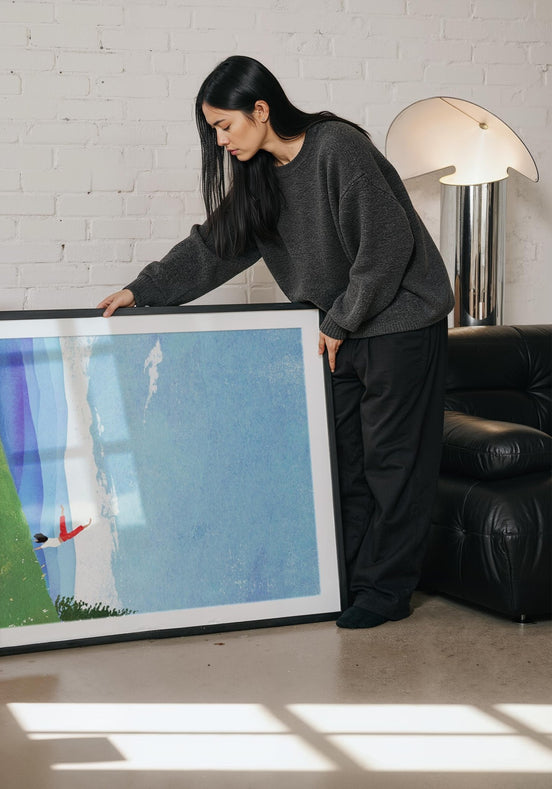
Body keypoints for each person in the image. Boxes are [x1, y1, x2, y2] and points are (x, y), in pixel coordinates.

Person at [97, 55, 455, 629]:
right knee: (344, 463)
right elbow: (216, 246)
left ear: (260, 110)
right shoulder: (261, 174)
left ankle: (385, 592)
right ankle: (348, 582)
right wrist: (144, 290)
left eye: (225, 126)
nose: (220, 142)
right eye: (213, 131)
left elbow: (386, 246)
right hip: (339, 329)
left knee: (394, 464)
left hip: (398, 321)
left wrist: (340, 321)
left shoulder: (337, 148)